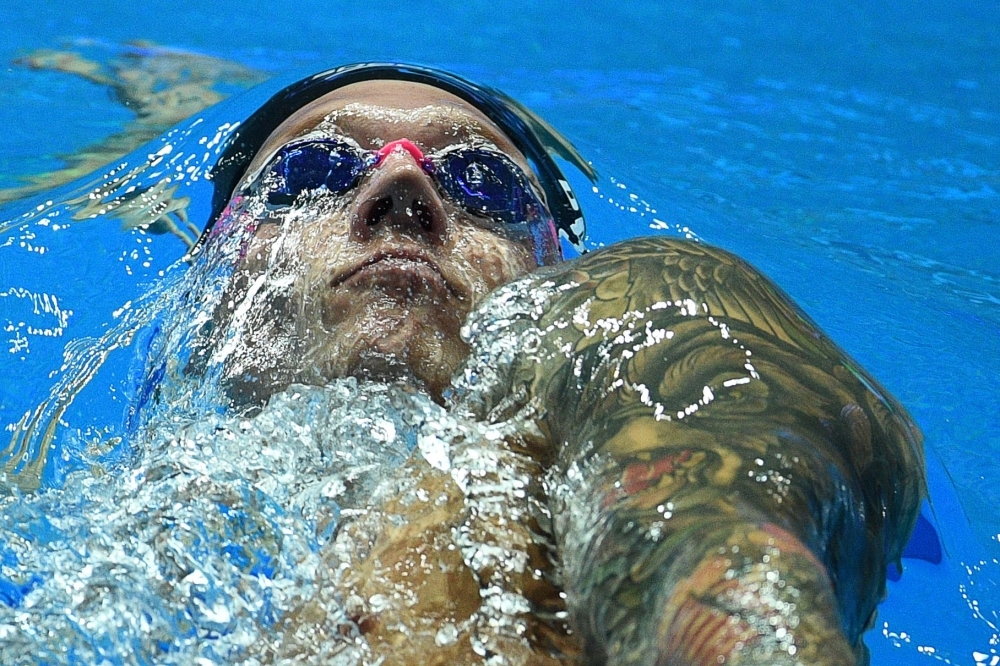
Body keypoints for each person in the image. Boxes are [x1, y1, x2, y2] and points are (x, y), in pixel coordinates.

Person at [173, 64, 926, 665]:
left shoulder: (650, 317)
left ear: (555, 275)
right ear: (205, 287)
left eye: (483, 184)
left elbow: (722, 563)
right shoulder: (83, 498)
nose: (399, 188)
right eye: (311, 172)